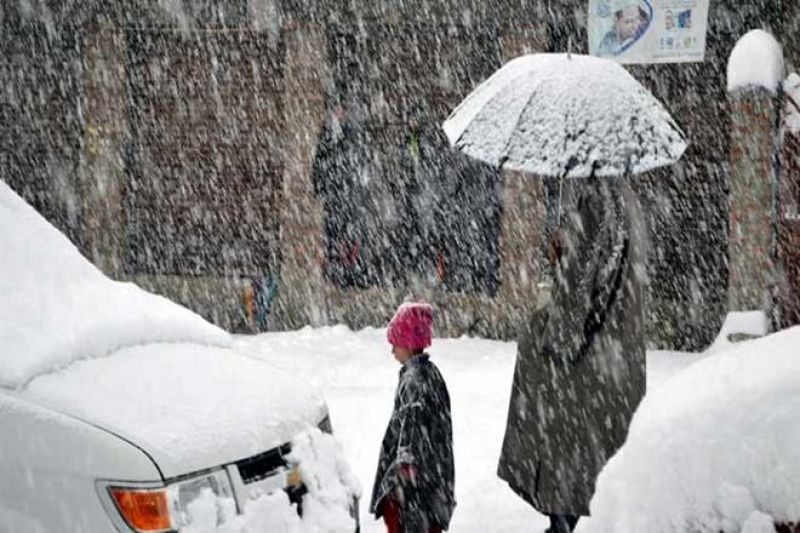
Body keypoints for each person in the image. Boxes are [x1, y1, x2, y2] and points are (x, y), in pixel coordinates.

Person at [497, 177, 647, 533]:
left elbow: (575, 295)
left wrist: (562, 253)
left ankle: (561, 524)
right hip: (616, 360)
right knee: (597, 465)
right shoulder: (627, 200)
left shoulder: (597, 203)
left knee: (568, 464)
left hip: (586, 368)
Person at [370, 302, 456, 532]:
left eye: (395, 343)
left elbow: (412, 426)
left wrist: (406, 469)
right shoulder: (429, 373)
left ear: (408, 344)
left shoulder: (414, 381)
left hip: (416, 484)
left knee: (408, 523)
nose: (392, 350)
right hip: (433, 476)